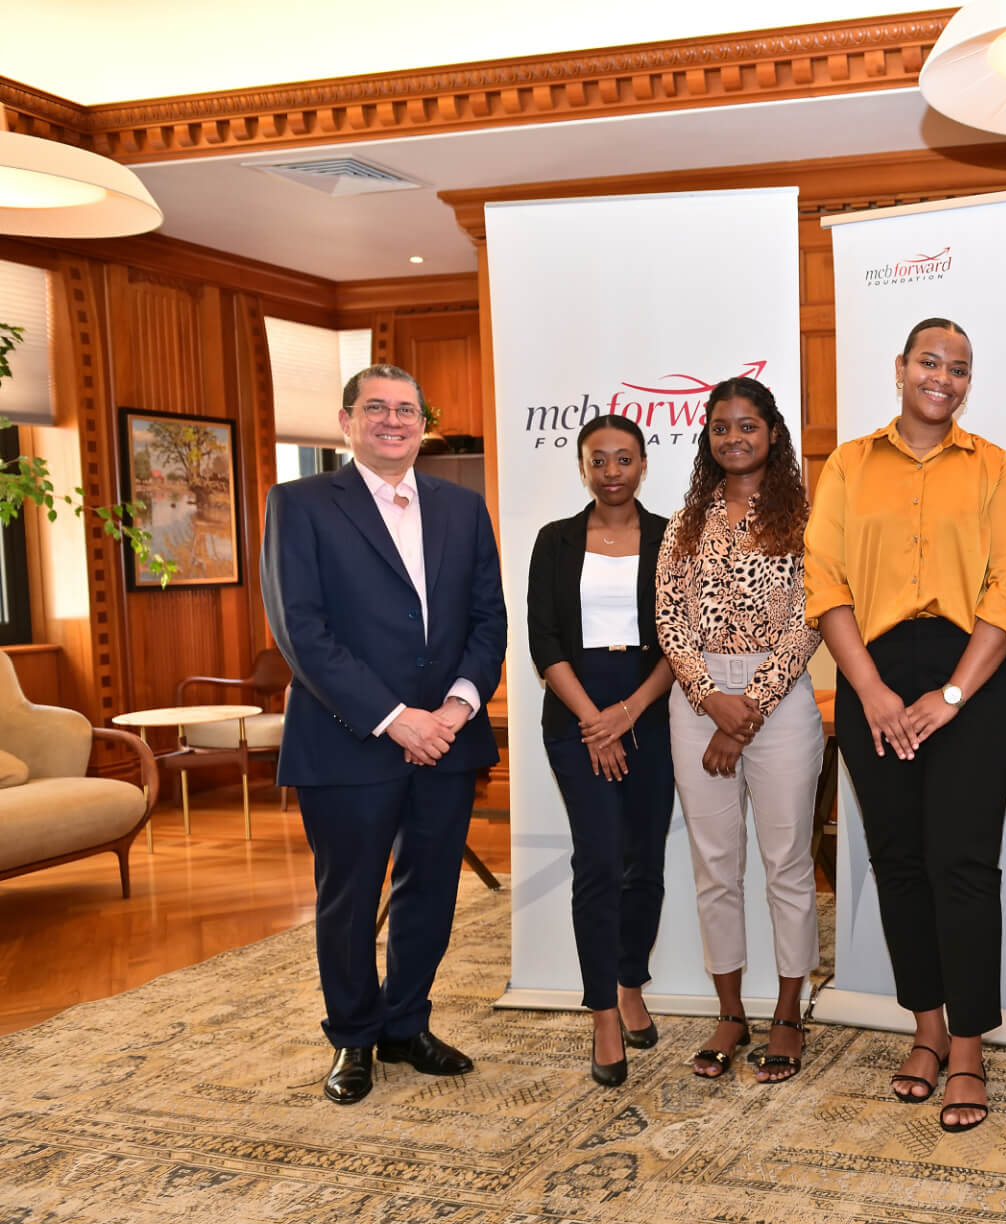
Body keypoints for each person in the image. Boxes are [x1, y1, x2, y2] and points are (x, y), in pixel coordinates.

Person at [803, 317, 1006, 1134]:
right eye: (929, 362)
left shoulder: (994, 467)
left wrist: (953, 694)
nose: (943, 377)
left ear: (969, 383)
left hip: (970, 681)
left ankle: (968, 1046)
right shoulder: (848, 464)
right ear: (900, 367)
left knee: (963, 867)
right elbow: (824, 579)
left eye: (958, 368)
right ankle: (927, 1030)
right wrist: (868, 689)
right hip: (872, 677)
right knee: (899, 863)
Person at [262, 363, 507, 1106]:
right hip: (348, 740)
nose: (393, 421)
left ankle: (406, 1024)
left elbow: (488, 620)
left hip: (447, 741)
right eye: (377, 408)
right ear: (346, 422)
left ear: (423, 425)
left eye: (407, 410)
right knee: (348, 898)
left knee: (430, 891)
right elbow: (301, 630)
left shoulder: (463, 507)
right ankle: (353, 1036)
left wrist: (455, 710)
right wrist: (397, 718)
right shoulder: (300, 504)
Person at [659, 377, 823, 1084]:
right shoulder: (685, 522)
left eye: (747, 426)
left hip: (778, 698)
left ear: (773, 434)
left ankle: (788, 1012)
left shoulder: (806, 519)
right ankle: (730, 1012)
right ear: (708, 437)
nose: (734, 438)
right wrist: (708, 696)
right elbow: (669, 618)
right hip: (696, 698)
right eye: (721, 427)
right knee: (715, 864)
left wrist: (746, 708)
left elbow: (814, 617)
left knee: (786, 862)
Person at [525, 415, 676, 1088]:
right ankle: (603, 1013)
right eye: (598, 460)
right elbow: (544, 641)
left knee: (645, 861)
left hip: (649, 708)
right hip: (576, 712)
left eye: (624, 459)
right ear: (582, 468)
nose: (612, 471)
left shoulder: (672, 537)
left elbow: (681, 639)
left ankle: (630, 981)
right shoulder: (554, 541)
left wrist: (629, 714)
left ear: (643, 464)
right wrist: (596, 722)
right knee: (599, 861)